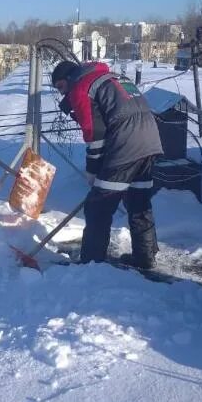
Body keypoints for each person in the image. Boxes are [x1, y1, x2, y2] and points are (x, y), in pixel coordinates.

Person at [51, 60, 164, 269]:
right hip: (151, 142)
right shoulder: (116, 78)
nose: (61, 94)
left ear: (69, 79)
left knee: (97, 207)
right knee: (138, 202)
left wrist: (93, 170)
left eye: (60, 87)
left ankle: (91, 265)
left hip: (126, 145)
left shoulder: (80, 88)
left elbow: (95, 135)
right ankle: (145, 257)